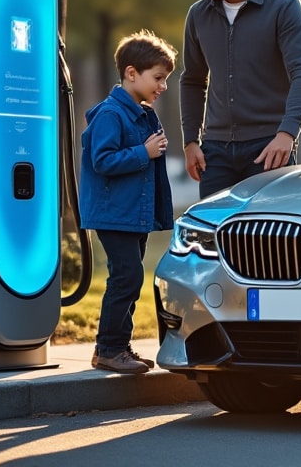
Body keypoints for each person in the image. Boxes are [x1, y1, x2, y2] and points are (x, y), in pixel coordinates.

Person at [180, 0, 301, 198]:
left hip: (269, 148)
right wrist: (190, 142)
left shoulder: (285, 8)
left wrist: (287, 134)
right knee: (215, 236)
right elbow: (193, 80)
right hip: (215, 152)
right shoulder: (198, 15)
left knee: (270, 238)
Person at [79, 29, 176, 374]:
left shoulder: (142, 112)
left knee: (130, 278)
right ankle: (109, 348)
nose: (163, 86)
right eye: (159, 78)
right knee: (127, 277)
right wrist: (143, 152)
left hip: (132, 214)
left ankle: (118, 346)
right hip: (114, 213)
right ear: (132, 73)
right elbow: (101, 161)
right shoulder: (111, 114)